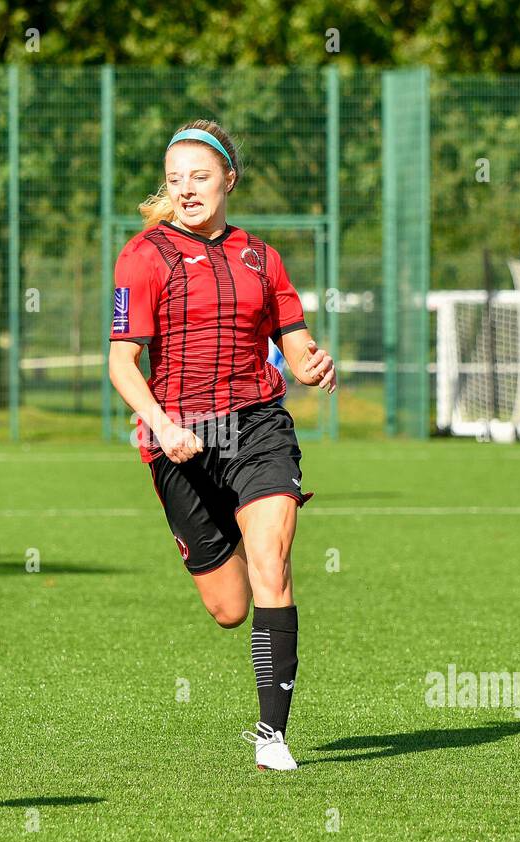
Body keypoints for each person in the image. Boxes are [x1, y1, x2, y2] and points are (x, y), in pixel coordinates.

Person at [107, 120, 337, 771]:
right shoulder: (143, 255)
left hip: (257, 425)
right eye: (174, 179)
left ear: (228, 180)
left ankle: (272, 736)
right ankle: (226, 530)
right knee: (230, 608)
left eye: (199, 177)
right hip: (176, 438)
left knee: (273, 560)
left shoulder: (262, 257)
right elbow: (123, 362)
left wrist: (313, 362)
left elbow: (294, 340)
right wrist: (160, 422)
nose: (185, 189)